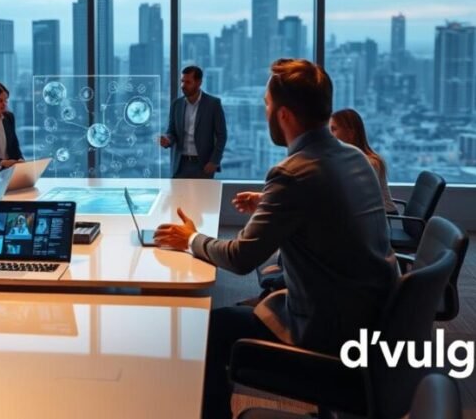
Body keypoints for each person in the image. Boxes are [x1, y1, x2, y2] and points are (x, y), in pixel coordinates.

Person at [154, 59, 399, 419]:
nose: (265, 111)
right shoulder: (355, 158)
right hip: (374, 319)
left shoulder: (292, 173)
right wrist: (271, 203)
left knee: (208, 330)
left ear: (284, 115)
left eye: (267, 105)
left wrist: (191, 238)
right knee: (232, 317)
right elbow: (325, 208)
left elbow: (240, 257)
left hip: (327, 331)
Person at [159, 65, 228, 179]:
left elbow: (222, 135)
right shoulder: (176, 104)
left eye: (188, 82)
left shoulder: (213, 104)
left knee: (203, 192)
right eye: (182, 81)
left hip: (204, 165)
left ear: (199, 83)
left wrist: (214, 161)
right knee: (178, 191)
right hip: (180, 164)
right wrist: (167, 139)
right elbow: (172, 131)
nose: (183, 86)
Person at [330, 108, 397, 214]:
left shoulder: (370, 163)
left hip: (382, 217)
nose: (330, 135)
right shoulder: (348, 160)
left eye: (333, 129)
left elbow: (358, 198)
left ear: (350, 134)